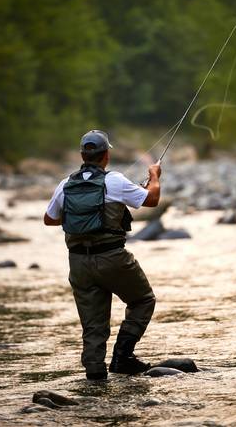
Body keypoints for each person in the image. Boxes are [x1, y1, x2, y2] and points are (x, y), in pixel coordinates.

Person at [44, 129, 161, 381]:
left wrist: (79, 217)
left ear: (82, 155)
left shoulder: (65, 185)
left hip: (78, 264)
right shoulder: (115, 181)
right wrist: (154, 176)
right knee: (143, 301)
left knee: (93, 325)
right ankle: (122, 357)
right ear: (106, 155)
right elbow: (152, 199)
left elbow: (49, 219)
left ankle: (95, 375)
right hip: (112, 258)